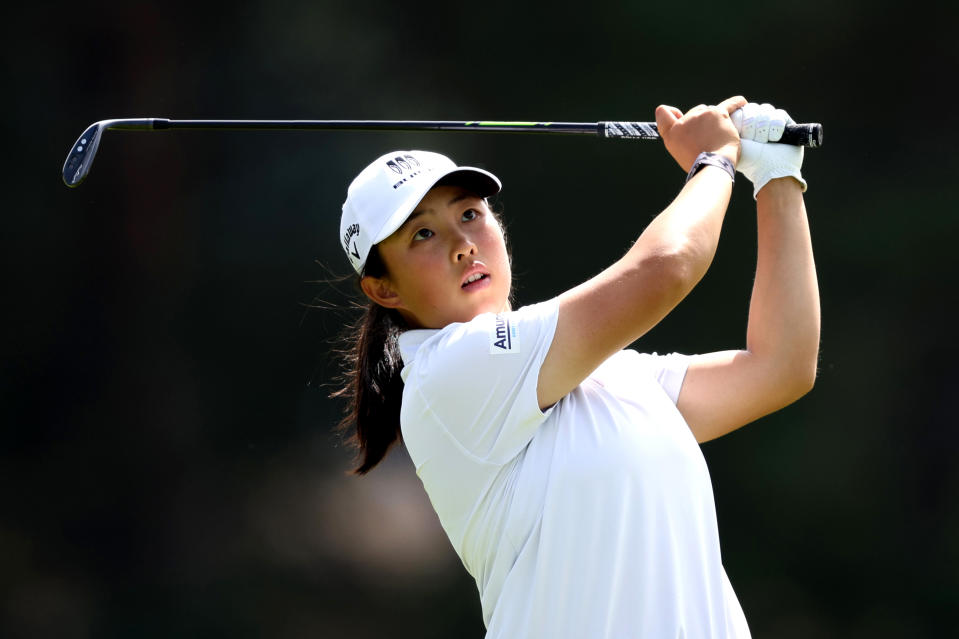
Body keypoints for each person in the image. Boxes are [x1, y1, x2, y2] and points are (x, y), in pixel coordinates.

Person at [332, 96, 820, 638]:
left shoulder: (612, 376)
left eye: (470, 214)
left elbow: (781, 367)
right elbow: (666, 267)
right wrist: (716, 162)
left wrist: (777, 178)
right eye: (423, 234)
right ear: (383, 289)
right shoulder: (446, 374)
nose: (463, 245)